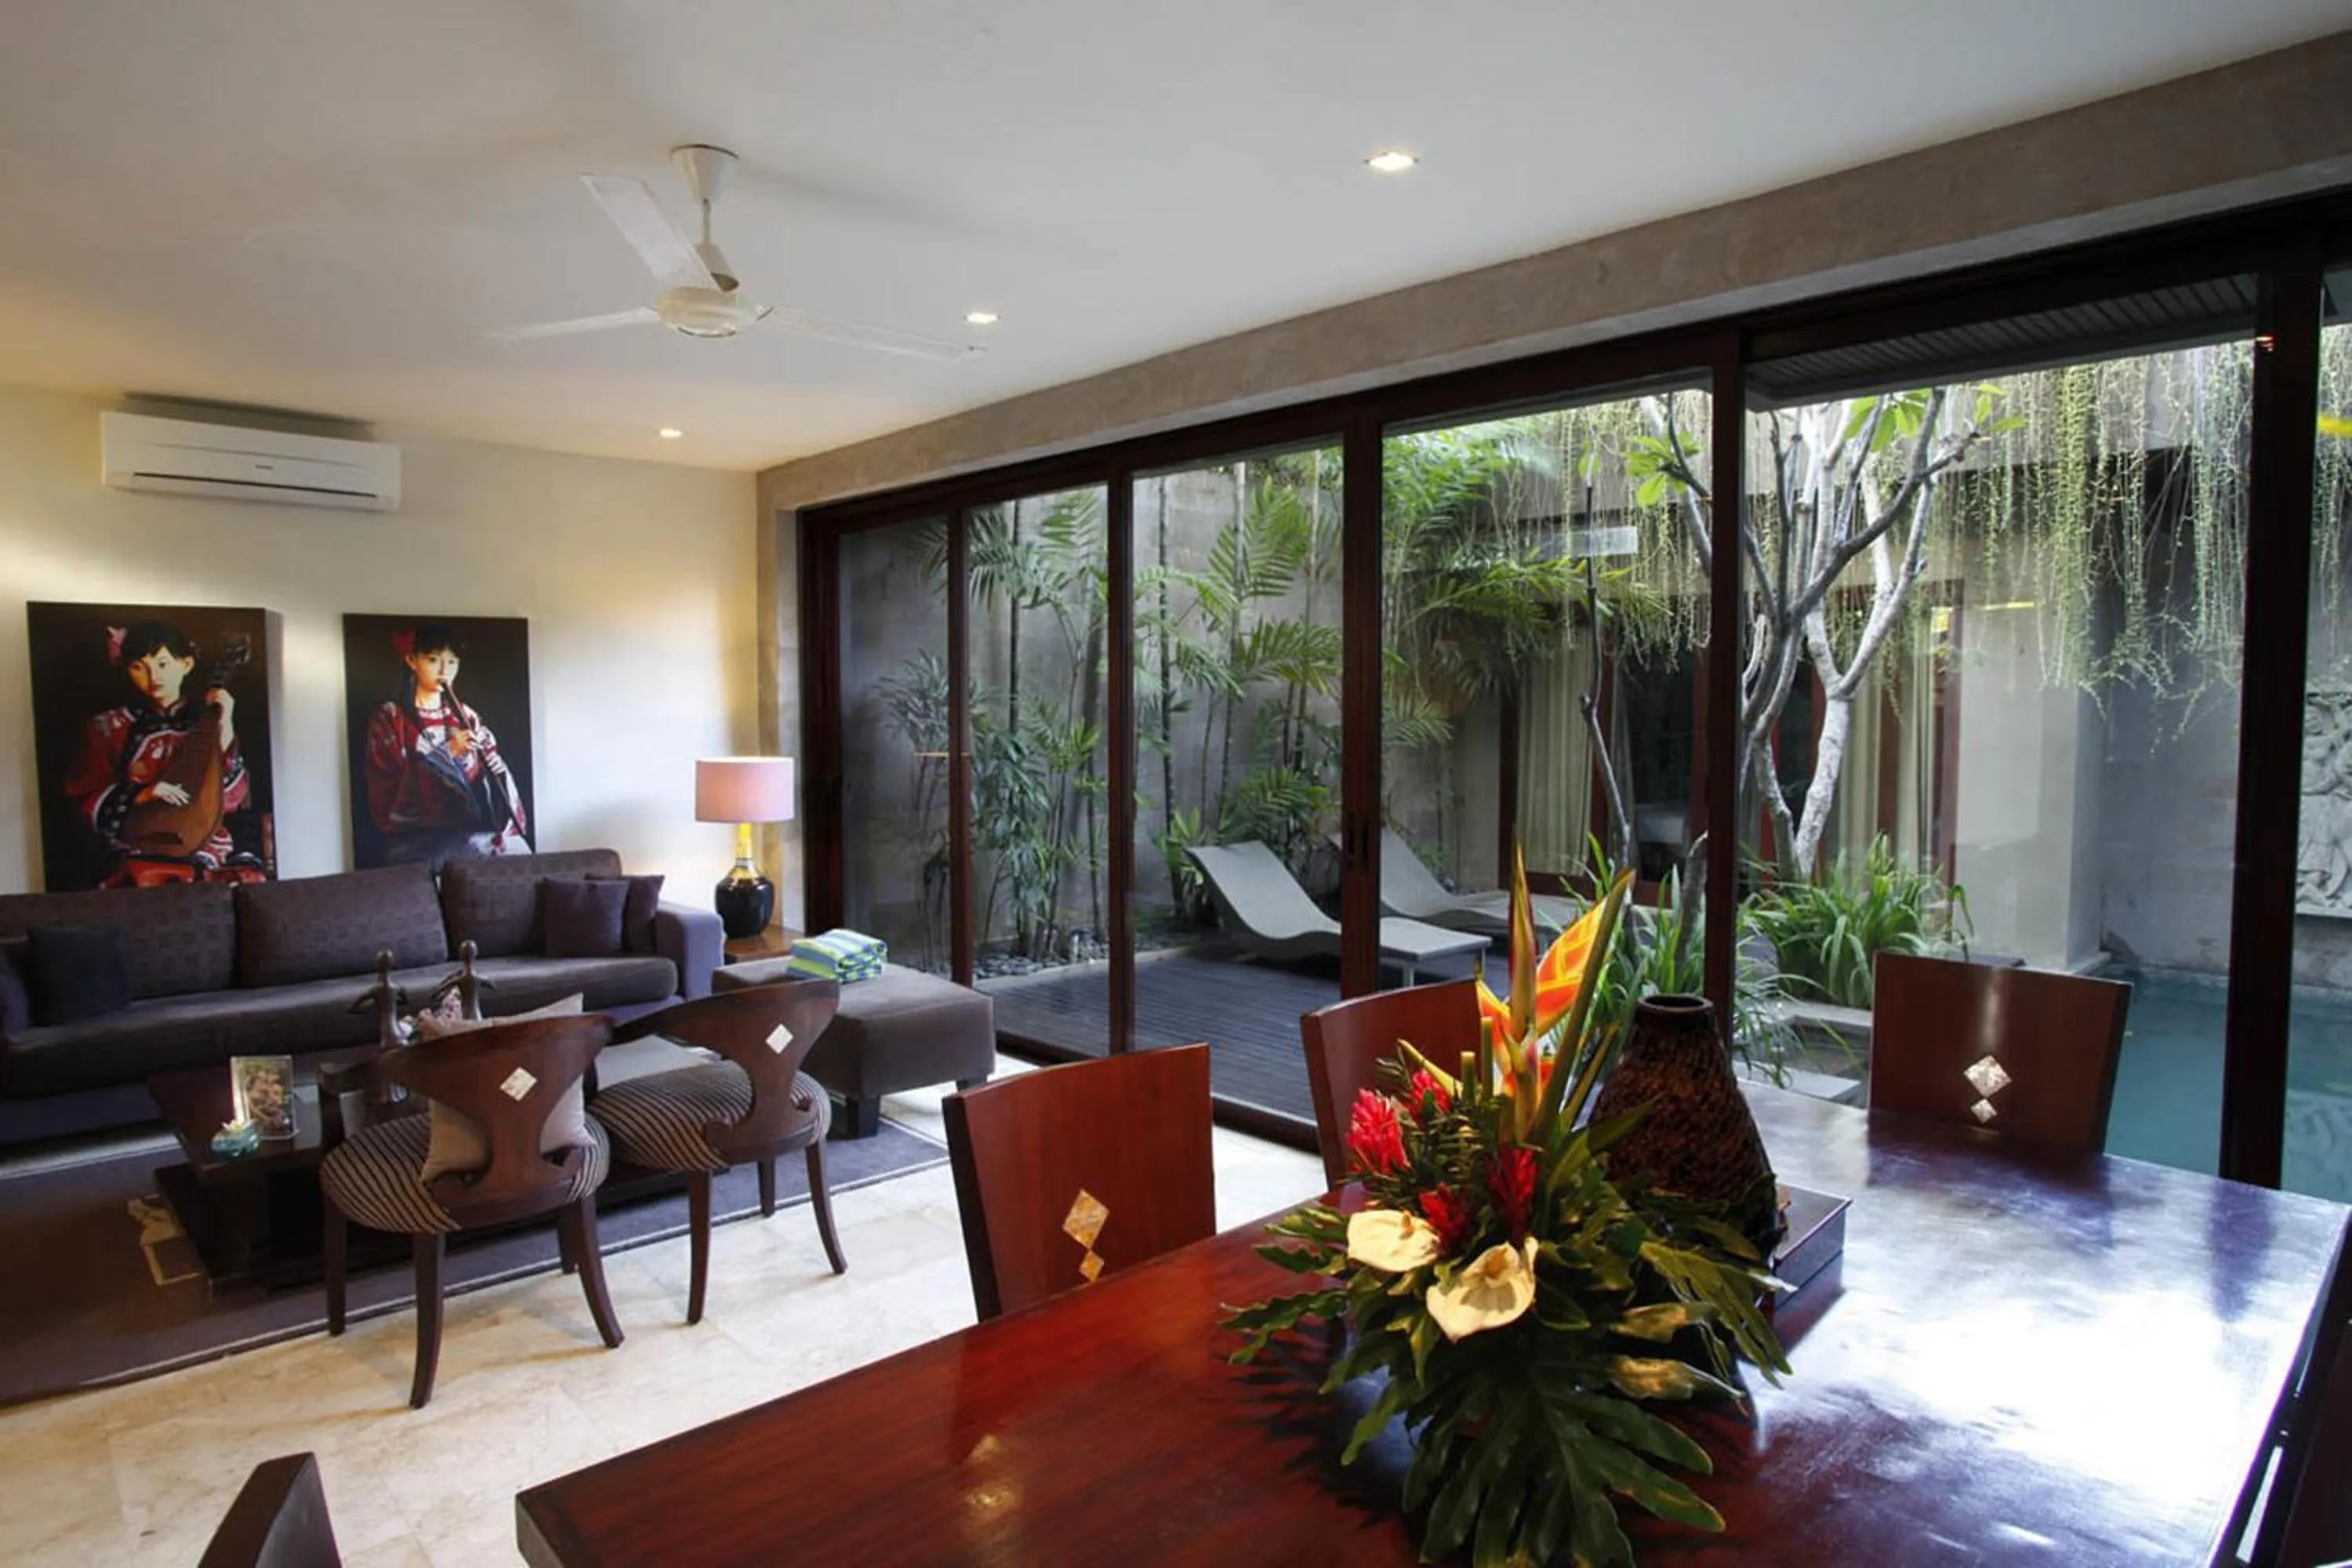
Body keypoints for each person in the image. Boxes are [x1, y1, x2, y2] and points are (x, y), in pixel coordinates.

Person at [63, 620, 259, 887]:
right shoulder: (109, 727)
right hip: (134, 843)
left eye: (163, 664)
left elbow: (232, 799)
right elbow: (85, 795)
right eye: (139, 667)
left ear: (186, 665)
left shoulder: (207, 721)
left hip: (203, 840)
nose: (154, 677)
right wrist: (143, 793)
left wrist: (226, 726)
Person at [363, 622, 530, 867]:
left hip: (468, 834)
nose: (444, 671)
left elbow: (485, 786)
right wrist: (447, 754)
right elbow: (388, 795)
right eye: (433, 660)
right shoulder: (390, 718)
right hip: (416, 841)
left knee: (517, 850)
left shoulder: (467, 716)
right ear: (412, 661)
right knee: (486, 854)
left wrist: (491, 766)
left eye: (452, 662)